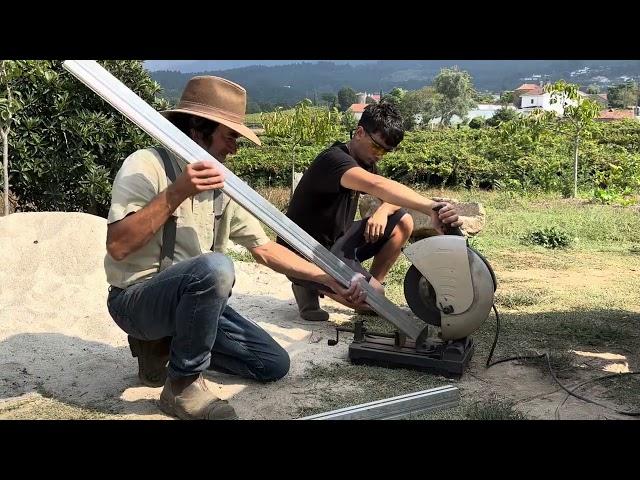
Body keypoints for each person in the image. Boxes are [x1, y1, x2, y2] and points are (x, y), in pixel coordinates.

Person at [105, 76, 366, 420]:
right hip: (136, 302)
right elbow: (118, 246)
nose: (235, 148)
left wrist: (329, 278)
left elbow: (265, 250)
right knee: (215, 267)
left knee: (272, 363)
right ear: (199, 129)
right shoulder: (146, 165)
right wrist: (176, 191)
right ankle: (182, 386)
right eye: (230, 137)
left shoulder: (221, 185)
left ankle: (166, 347)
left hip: (194, 305)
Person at [277, 102, 462, 319]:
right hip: (307, 251)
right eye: (377, 147)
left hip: (338, 242)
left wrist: (382, 211)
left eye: (386, 151)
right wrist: (430, 207)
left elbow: (390, 193)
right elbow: (378, 186)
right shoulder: (334, 160)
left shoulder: (365, 160)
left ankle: (364, 284)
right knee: (375, 297)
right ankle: (309, 283)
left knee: (402, 221)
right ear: (359, 132)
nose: (380, 155)